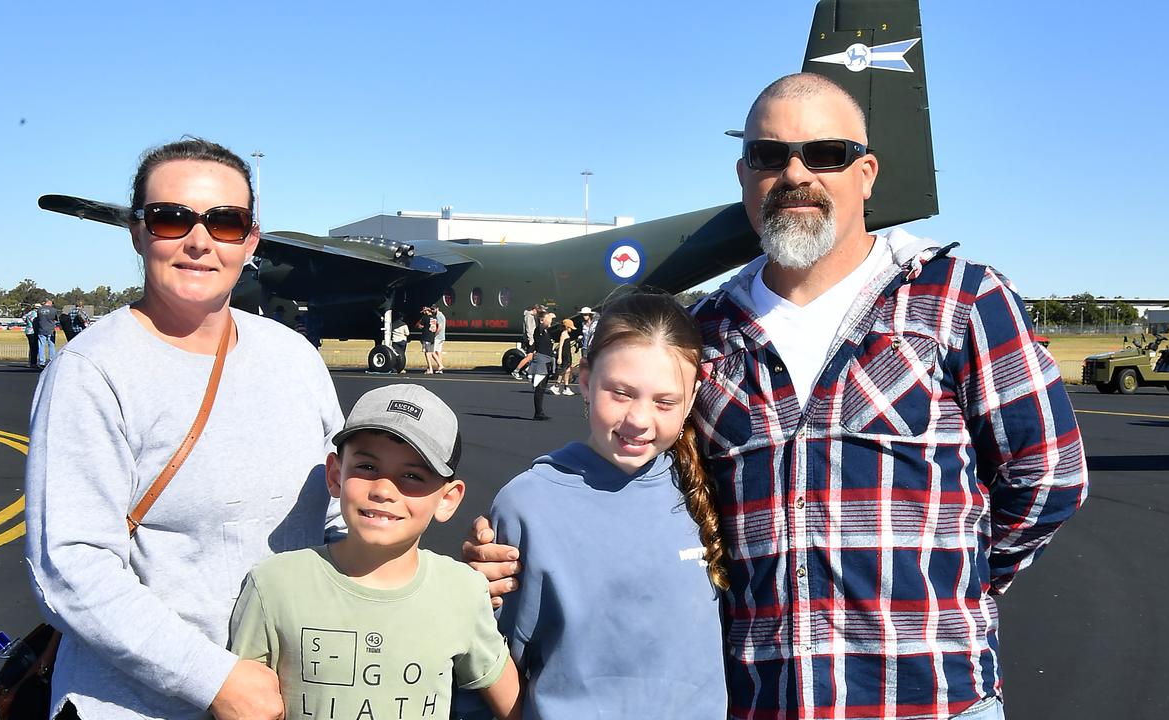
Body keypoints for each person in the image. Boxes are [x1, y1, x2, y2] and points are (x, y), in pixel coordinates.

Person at [465, 74, 1088, 720]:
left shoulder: (959, 301)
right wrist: (509, 552)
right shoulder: (705, 334)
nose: (796, 173)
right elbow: (641, 488)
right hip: (765, 705)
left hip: (932, 701)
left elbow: (1049, 476)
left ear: (867, 172)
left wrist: (957, 586)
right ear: (744, 175)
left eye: (826, 153)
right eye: (770, 155)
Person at [24, 138, 344, 720]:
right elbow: (71, 567)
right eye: (172, 218)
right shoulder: (93, 371)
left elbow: (340, 516)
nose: (199, 240)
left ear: (250, 241)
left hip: (287, 696)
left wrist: (431, 578)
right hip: (142, 704)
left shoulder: (295, 357)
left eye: (226, 222)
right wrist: (215, 680)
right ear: (138, 231)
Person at [490, 292, 726, 718]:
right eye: (620, 392)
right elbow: (489, 660)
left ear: (691, 401)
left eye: (665, 401)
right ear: (585, 381)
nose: (638, 418)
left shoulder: (712, 492)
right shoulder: (526, 505)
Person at [229, 384, 521, 720]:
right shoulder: (273, 585)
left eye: (412, 475)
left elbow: (511, 704)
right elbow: (242, 704)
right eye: (367, 468)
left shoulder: (463, 591)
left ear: (448, 498)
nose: (383, 489)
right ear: (336, 474)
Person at [527, 310, 555, 421]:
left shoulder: (547, 332)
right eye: (548, 319)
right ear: (542, 320)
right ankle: (538, 412)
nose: (551, 321)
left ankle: (540, 412)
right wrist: (549, 317)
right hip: (541, 361)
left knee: (542, 388)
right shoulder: (538, 330)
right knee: (539, 387)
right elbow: (544, 325)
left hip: (547, 361)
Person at [549, 318, 577, 396]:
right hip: (564, 355)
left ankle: (566, 388)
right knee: (563, 371)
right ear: (567, 327)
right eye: (570, 328)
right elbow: (560, 346)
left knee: (568, 371)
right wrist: (559, 357)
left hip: (568, 354)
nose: (571, 329)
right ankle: (556, 386)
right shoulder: (564, 334)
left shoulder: (567, 334)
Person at [510, 305, 540, 379]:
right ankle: (516, 371)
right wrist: (531, 340)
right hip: (530, 339)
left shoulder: (533, 316)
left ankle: (526, 369)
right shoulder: (529, 317)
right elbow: (529, 329)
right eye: (538, 311)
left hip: (532, 339)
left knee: (534, 356)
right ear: (534, 309)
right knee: (529, 357)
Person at [34, 299, 59, 367]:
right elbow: (56, 319)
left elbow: (38, 318)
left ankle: (42, 361)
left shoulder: (39, 310)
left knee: (41, 346)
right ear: (50, 302)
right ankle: (52, 360)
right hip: (51, 329)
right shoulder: (54, 310)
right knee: (51, 345)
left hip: (41, 329)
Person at [417, 306, 440, 374]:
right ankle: (439, 365)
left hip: (426, 337)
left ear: (427, 311)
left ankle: (430, 368)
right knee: (431, 352)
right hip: (432, 336)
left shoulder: (425, 318)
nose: (423, 313)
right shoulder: (434, 317)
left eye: (424, 311)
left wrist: (420, 326)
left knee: (427, 353)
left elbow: (420, 325)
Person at [431, 304, 446, 372]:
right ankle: (440, 369)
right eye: (432, 309)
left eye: (434, 309)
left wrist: (435, 334)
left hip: (438, 337)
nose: (432, 310)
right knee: (438, 352)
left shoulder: (438, 316)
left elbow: (440, 326)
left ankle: (440, 365)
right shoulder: (441, 315)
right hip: (442, 336)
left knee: (432, 352)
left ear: (437, 308)